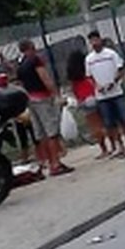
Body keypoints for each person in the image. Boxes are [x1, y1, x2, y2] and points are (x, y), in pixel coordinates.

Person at [12, 39, 73, 175]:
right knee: (51, 131)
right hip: (42, 99)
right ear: (31, 47)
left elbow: (20, 84)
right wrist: (56, 95)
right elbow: (45, 78)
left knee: (40, 134)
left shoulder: (21, 66)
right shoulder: (35, 60)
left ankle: (48, 161)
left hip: (30, 100)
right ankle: (56, 164)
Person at [85, 30, 125, 157]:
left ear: (100, 39)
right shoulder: (89, 59)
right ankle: (119, 146)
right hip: (102, 96)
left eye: (96, 40)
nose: (94, 43)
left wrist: (113, 82)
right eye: (91, 41)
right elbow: (89, 77)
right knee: (109, 123)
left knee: (123, 119)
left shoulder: (111, 54)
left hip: (116, 93)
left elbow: (121, 69)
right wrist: (97, 86)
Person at [67, 44, 111, 159]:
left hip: (84, 99)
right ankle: (114, 144)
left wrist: (78, 100)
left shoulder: (73, 75)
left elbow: (74, 89)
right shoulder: (87, 68)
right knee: (105, 122)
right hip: (95, 95)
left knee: (94, 126)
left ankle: (104, 149)